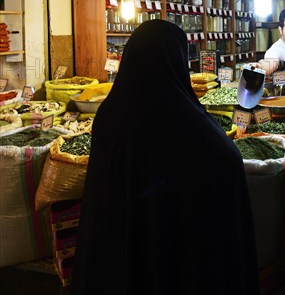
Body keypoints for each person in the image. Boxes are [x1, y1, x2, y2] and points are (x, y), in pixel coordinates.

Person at [71, 19, 260, 295]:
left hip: (121, 246)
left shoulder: (109, 115)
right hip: (174, 248)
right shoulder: (183, 115)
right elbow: (227, 159)